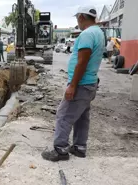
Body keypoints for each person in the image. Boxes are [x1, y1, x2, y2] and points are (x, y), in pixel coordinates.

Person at [41, 5, 104, 162]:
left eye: (77, 18)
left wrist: (73, 85)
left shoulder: (87, 34)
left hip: (82, 84)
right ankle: (79, 147)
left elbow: (82, 62)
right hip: (89, 83)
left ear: (81, 17)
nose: (78, 22)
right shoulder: (98, 32)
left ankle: (61, 150)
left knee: (63, 115)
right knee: (82, 116)